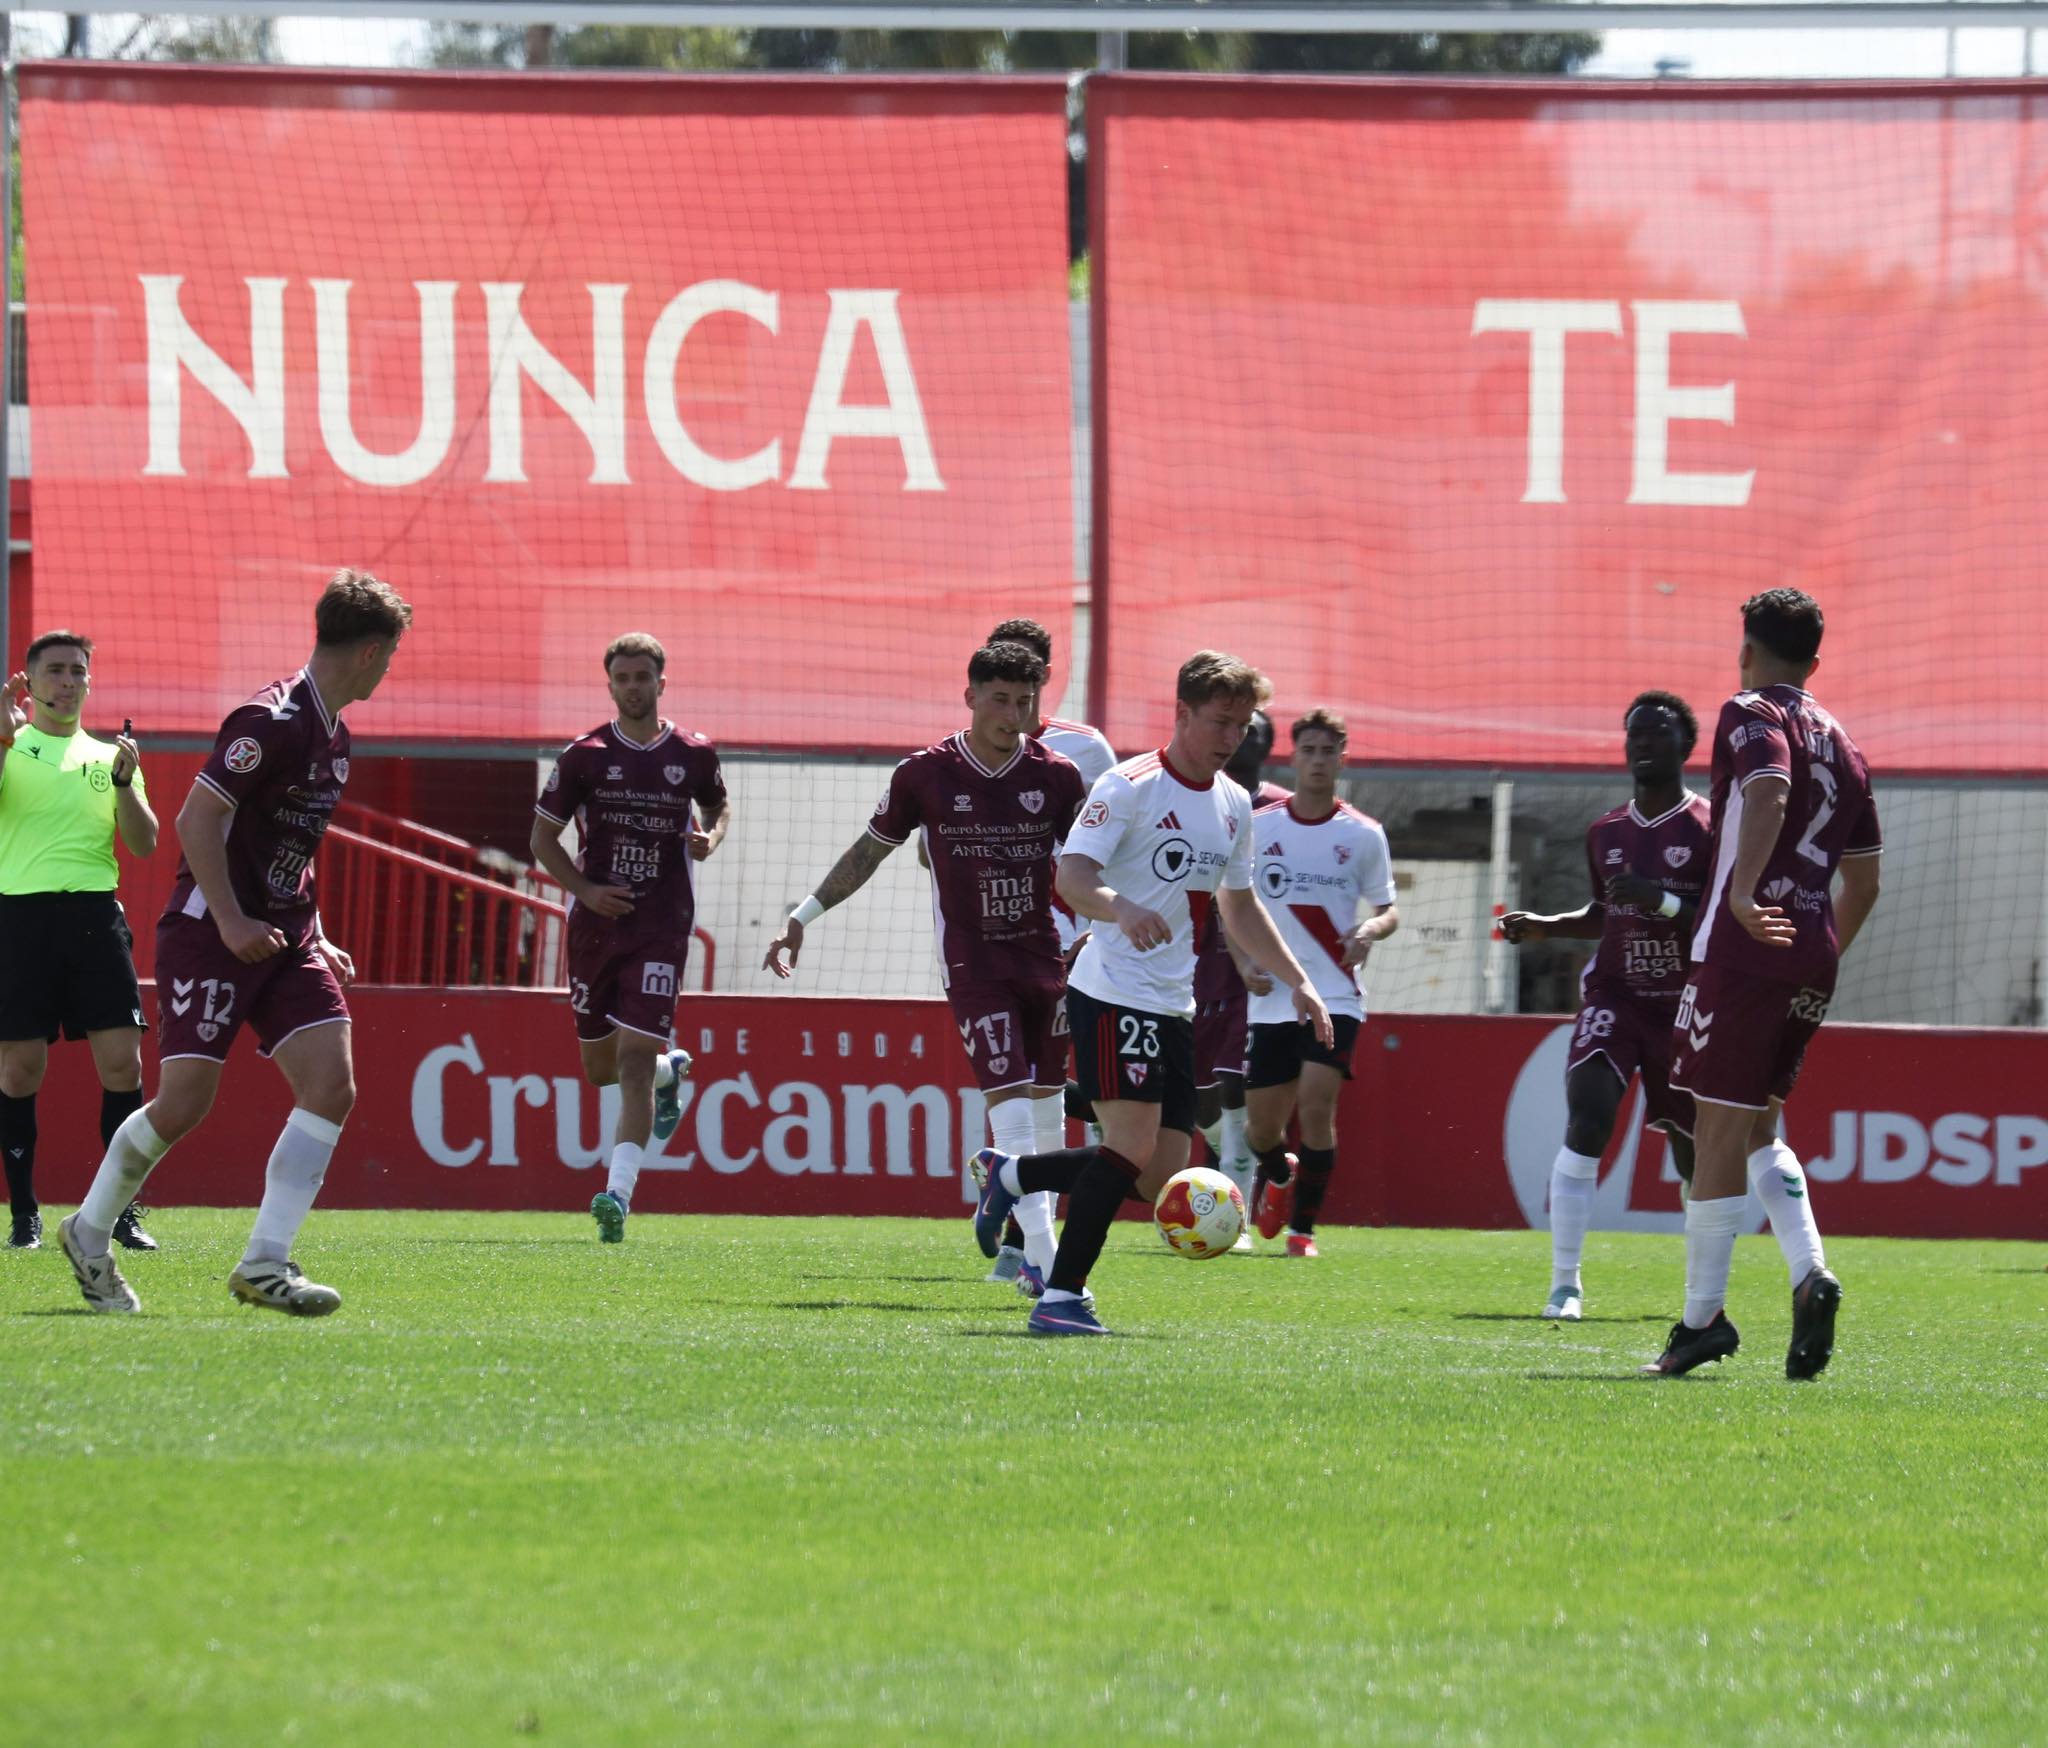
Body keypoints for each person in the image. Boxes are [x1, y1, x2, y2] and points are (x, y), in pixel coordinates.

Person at [57, 569, 412, 1316]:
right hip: (212, 933)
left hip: (285, 937)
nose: (389, 671)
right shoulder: (271, 719)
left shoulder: (335, 734)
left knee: (332, 1084)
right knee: (184, 1103)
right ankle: (88, 1235)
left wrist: (316, 930)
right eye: (391, 657)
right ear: (372, 651)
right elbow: (196, 822)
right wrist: (230, 921)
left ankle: (265, 1264)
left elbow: (288, 846)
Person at [969, 650, 1333, 1336]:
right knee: (1129, 1146)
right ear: (1183, 714)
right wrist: (1119, 909)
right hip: (1112, 990)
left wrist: (1299, 981)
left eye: (1244, 725)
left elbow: (1242, 904)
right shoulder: (1127, 786)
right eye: (1221, 722)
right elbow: (1072, 876)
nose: (1232, 737)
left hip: (1173, 1003)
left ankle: (1014, 1175)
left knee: (1154, 1175)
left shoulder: (1233, 805)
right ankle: (1061, 1298)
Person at [765, 641, 1086, 1287]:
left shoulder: (1056, 776)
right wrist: (801, 917)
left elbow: (1087, 866)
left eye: (1025, 701)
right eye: (999, 699)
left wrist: (1097, 933)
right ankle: (1053, 1271)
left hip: (1047, 959)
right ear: (969, 697)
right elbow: (870, 850)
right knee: (1012, 1106)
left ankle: (1025, 1254)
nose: (1012, 713)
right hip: (974, 965)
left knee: (1050, 1109)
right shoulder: (925, 774)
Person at [1646, 589, 1881, 1379]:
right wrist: (1814, 952)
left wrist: (1745, 895)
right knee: (1756, 1128)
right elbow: (1867, 883)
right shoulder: (1847, 743)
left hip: (1745, 950)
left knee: (1714, 1130)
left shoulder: (1748, 709)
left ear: (1746, 649)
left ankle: (1700, 1322)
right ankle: (1809, 1270)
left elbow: (1771, 789)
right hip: (1812, 951)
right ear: (1815, 664)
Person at [1499, 692, 1709, 1318]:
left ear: (1684, 746)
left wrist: (1662, 903)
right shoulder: (1606, 832)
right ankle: (1565, 1285)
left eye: (1656, 733)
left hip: (1682, 1008)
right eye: (1633, 733)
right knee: (1588, 1114)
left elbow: (1721, 924)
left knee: (1691, 1151)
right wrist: (1546, 926)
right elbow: (1605, 914)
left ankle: (1702, 1292)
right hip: (1615, 997)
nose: (1641, 742)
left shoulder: (1711, 828)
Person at [532, 633, 728, 1243]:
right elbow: (541, 841)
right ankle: (673, 1076)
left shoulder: (694, 753)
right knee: (599, 1068)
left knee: (634, 1060)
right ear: (610, 685)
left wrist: (710, 838)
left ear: (662, 683)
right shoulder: (584, 756)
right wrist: (585, 892)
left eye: (645, 677)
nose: (635, 687)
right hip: (596, 928)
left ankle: (616, 1195)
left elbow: (719, 808)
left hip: (662, 927)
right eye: (624, 678)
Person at [0, 633, 159, 1252]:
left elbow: (143, 845)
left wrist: (124, 783)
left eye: (78, 672)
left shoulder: (110, 756)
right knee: (19, 1068)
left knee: (124, 1064)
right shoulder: (11, 747)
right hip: (20, 920)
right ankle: (23, 1216)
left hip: (95, 918)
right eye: (56, 672)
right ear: (30, 683)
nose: (68, 682)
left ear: (89, 683)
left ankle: (119, 1213)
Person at [980, 616, 1115, 1279]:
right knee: (1020, 1090)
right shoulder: (965, 754)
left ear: (1044, 679)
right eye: (1002, 684)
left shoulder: (1086, 752)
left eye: (1027, 680)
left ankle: (1026, 1247)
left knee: (1044, 1093)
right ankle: (1025, 1241)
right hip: (991, 947)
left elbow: (1113, 841)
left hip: (1066, 940)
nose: (1016, 698)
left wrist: (1105, 919)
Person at [1239, 709, 1398, 1258]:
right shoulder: (1261, 826)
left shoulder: (1363, 834)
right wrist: (1242, 962)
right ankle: (1276, 1173)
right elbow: (1231, 902)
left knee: (1314, 1102)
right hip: (1272, 996)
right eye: (1308, 751)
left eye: (1328, 752)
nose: (1318, 761)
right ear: (1293, 756)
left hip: (1335, 994)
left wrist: (1371, 930)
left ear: (1342, 758)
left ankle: (1302, 1230)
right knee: (1260, 1131)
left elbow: (1388, 907)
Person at [1191, 707, 1292, 1244]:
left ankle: (1236, 1223)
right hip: (1198, 965)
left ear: (1267, 744)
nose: (1240, 737)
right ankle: (1274, 1172)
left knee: (1236, 1093)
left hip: (1258, 977)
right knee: (1195, 1099)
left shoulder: (1280, 809)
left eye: (1252, 729)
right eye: (1232, 726)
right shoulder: (1202, 799)